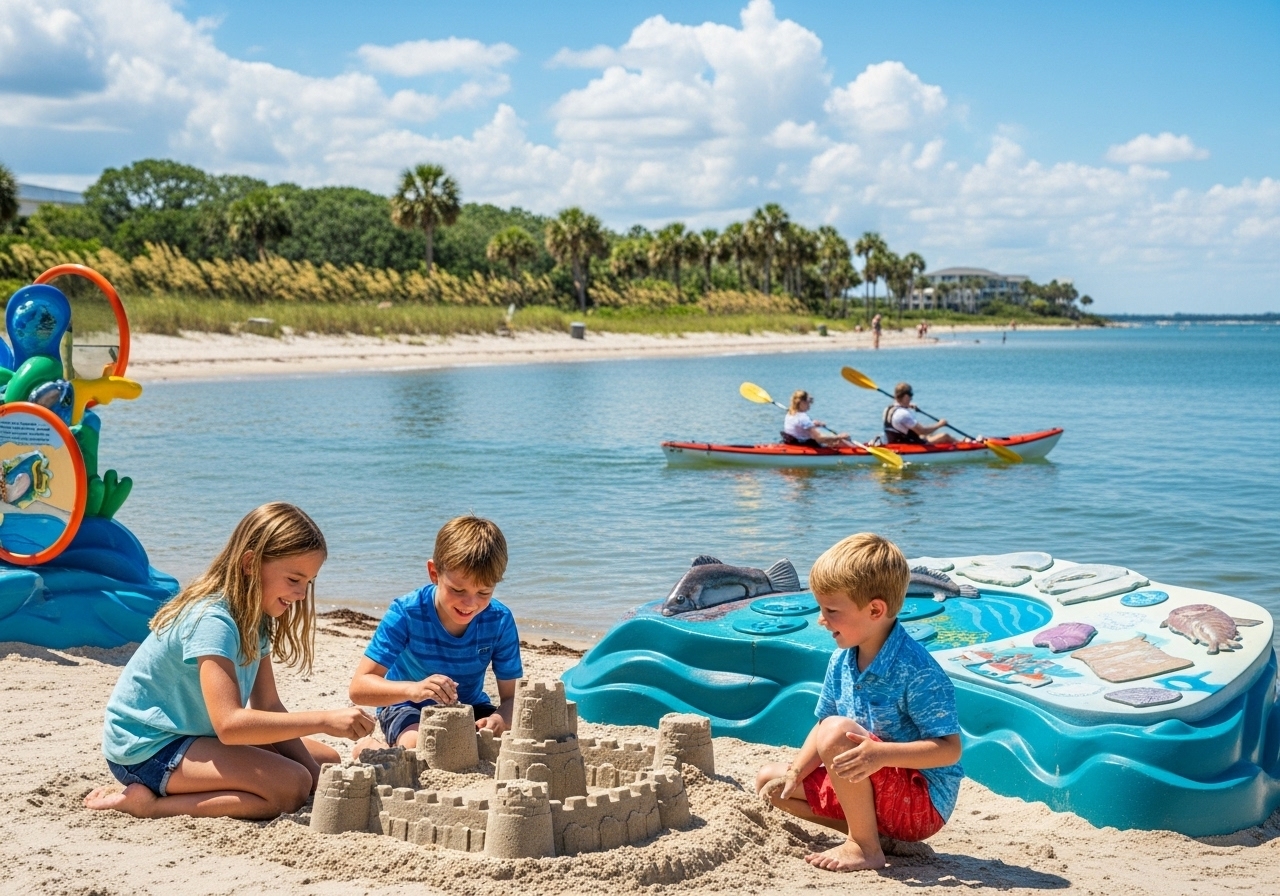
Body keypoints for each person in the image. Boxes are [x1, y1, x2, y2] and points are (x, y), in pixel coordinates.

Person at [85, 503, 375, 820]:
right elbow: (230, 725)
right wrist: (324, 720)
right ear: (250, 563)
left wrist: (316, 779)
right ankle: (150, 805)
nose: (302, 594)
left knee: (325, 763)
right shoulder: (212, 620)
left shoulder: (255, 617)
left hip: (194, 733)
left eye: (309, 581)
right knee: (290, 786)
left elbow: (267, 705)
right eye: (294, 579)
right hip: (148, 746)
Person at [755, 533, 963, 872]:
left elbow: (949, 749)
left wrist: (881, 754)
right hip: (873, 783)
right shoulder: (842, 660)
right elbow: (823, 723)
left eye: (831, 610)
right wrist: (797, 770)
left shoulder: (916, 669)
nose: (821, 619)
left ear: (875, 610)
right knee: (771, 784)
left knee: (838, 734)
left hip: (921, 802)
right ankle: (874, 837)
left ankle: (864, 848)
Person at [349, 515, 522, 758]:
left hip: (468, 707)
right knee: (421, 745)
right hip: (406, 706)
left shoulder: (499, 619)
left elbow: (513, 698)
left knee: (499, 746)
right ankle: (371, 748)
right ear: (434, 572)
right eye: (458, 589)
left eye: (484, 592)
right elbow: (359, 688)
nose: (469, 603)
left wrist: (498, 719)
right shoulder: (406, 612)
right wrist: (414, 689)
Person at [883, 382, 956, 445]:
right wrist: (940, 424)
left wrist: (907, 406)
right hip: (911, 444)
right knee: (945, 436)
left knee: (928, 435)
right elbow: (923, 431)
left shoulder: (888, 409)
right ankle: (965, 445)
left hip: (895, 441)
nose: (911, 398)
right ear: (905, 396)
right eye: (910, 395)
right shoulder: (903, 414)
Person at [782, 390, 851, 448]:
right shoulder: (803, 417)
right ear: (802, 402)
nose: (810, 405)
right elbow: (819, 439)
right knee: (843, 440)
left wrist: (813, 424)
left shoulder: (790, 414)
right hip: (805, 444)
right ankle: (856, 454)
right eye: (809, 402)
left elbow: (799, 424)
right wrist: (839, 437)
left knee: (832, 439)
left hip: (794, 442)